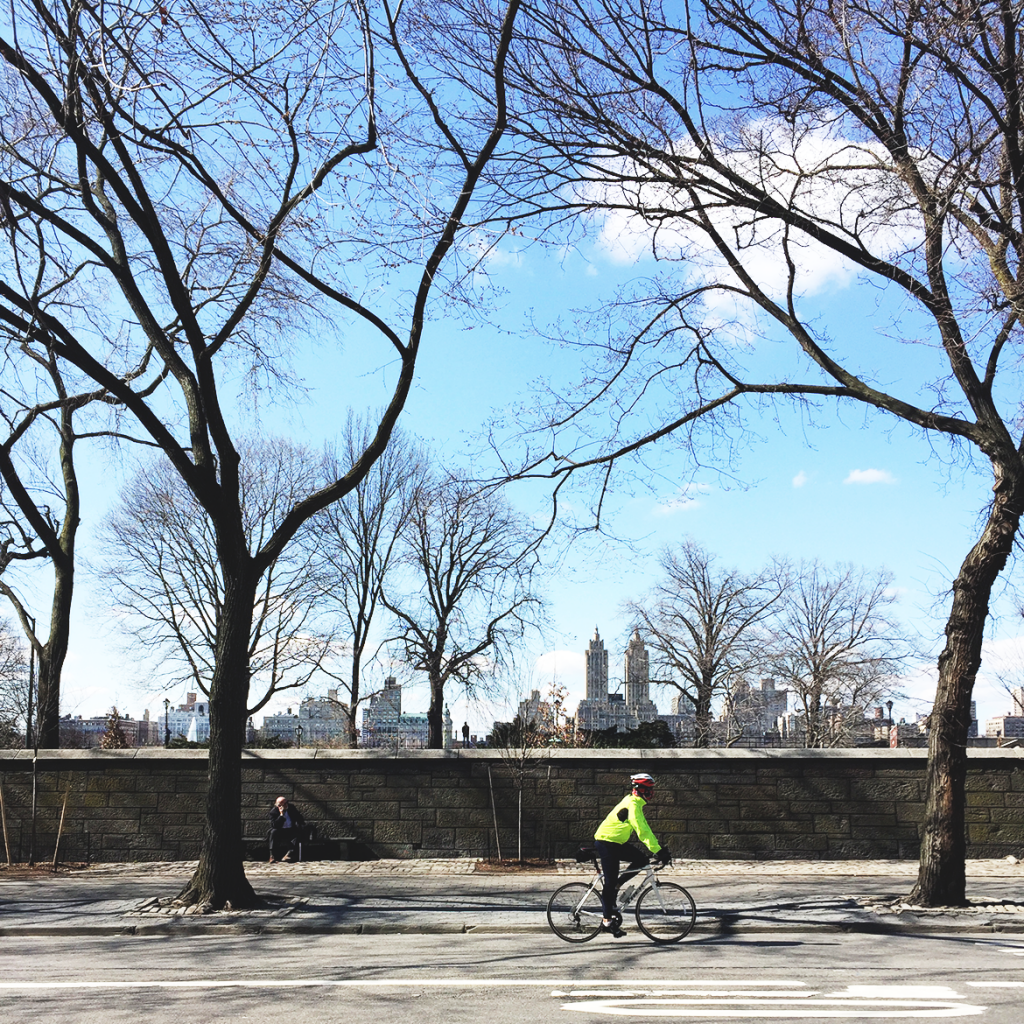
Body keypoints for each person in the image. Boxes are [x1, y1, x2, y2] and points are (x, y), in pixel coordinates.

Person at [592, 772, 670, 937]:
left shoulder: (633, 801)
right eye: (649, 789)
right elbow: (642, 831)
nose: (652, 793)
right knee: (610, 882)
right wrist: (659, 850)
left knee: (641, 860)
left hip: (616, 842)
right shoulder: (633, 805)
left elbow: (643, 829)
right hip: (607, 842)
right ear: (640, 789)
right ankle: (607, 921)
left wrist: (657, 850)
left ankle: (616, 887)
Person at [267, 796, 308, 863]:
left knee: (297, 834)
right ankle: (272, 856)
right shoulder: (274, 812)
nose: (286, 805)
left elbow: (299, 818)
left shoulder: (291, 808)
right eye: (283, 804)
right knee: (273, 832)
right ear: (278, 805)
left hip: (290, 829)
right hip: (280, 830)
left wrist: (300, 825)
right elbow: (275, 825)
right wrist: (281, 816)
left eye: (286, 803)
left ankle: (289, 854)